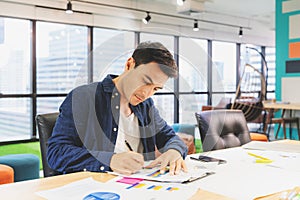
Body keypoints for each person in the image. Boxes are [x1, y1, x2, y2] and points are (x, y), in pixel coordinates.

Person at [47, 41, 188, 176]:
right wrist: (110, 160)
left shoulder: (146, 106)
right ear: (129, 64)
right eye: (145, 81)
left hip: (139, 187)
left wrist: (174, 150)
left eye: (155, 89)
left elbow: (171, 138)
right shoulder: (84, 97)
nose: (146, 93)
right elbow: (56, 153)